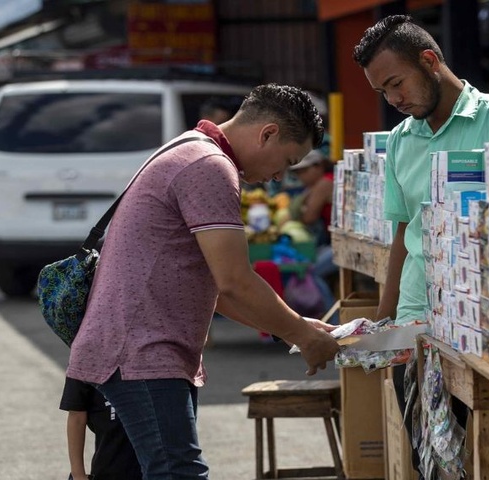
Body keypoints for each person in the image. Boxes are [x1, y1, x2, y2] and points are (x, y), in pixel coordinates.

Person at [65, 83, 341, 480]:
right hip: (142, 351)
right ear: (268, 134)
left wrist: (294, 327)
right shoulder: (209, 166)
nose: (279, 177)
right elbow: (234, 281)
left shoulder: (191, 148)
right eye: (287, 161)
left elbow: (214, 286)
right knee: (178, 473)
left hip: (138, 349)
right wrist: (303, 336)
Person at [353, 15, 489, 480]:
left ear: (430, 61)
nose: (394, 100)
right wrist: (385, 319)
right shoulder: (399, 141)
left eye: (397, 84)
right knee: (433, 462)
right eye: (383, 93)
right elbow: (402, 235)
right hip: (419, 324)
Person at [289, 149, 338, 321]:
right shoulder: (315, 186)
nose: (301, 177)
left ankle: (333, 320)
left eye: (304, 171)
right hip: (332, 241)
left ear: (318, 167)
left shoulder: (325, 183)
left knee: (312, 270)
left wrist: (296, 214)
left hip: (340, 244)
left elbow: (309, 217)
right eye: (297, 173)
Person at [60, 376, 142, 480]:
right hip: (112, 467)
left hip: (159, 466)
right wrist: (78, 475)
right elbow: (77, 416)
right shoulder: (86, 361)